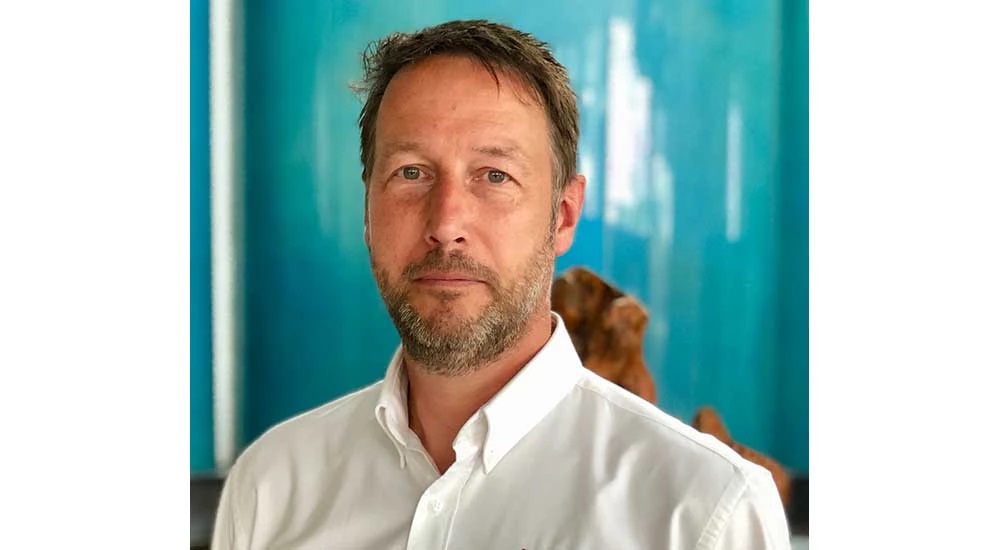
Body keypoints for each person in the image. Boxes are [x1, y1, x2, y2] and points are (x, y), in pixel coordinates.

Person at [212, 19, 791, 549]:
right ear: (368, 211)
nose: (446, 223)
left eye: (495, 176)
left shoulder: (703, 511)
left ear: (563, 216)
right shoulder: (271, 487)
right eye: (411, 172)